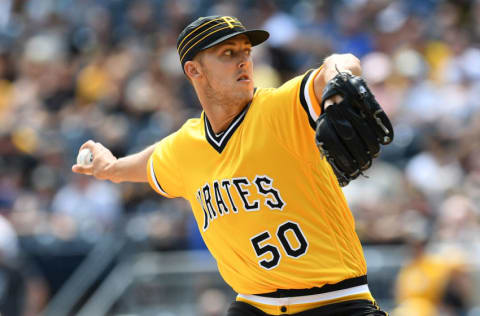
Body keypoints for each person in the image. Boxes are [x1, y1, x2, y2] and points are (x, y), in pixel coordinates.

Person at [73, 15, 387, 316]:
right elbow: (148, 162)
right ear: (194, 70)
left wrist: (338, 84)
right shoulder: (185, 146)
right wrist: (110, 167)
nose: (243, 61)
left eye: (246, 52)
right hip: (255, 304)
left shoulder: (278, 110)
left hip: (336, 300)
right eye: (227, 53)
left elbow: (342, 61)